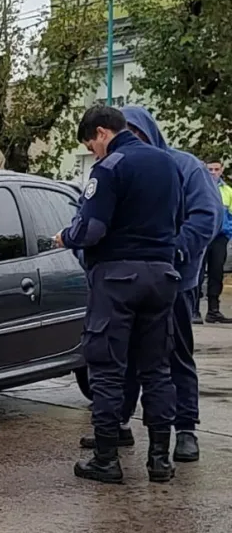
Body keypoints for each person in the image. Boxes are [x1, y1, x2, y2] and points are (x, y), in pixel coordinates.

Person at [78, 107, 222, 463]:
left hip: (171, 278)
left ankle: (185, 428)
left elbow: (207, 216)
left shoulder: (180, 165)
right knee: (128, 359)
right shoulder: (127, 165)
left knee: (173, 357)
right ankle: (124, 428)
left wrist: (174, 252)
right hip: (149, 276)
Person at [55, 106, 183, 484]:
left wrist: (68, 237)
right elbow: (175, 221)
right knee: (158, 369)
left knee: (108, 369)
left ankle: (106, 460)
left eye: (90, 144)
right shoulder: (168, 165)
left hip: (118, 278)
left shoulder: (110, 168)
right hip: (162, 277)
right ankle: (160, 460)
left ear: (102, 132)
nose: (94, 152)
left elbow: (93, 228)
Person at [196, 159, 232, 324]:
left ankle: (213, 310)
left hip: (220, 237)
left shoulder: (227, 191)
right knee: (197, 273)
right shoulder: (198, 187)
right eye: (209, 169)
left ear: (221, 170)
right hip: (202, 236)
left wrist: (227, 233)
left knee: (216, 273)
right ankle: (194, 309)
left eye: (216, 169)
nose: (213, 173)